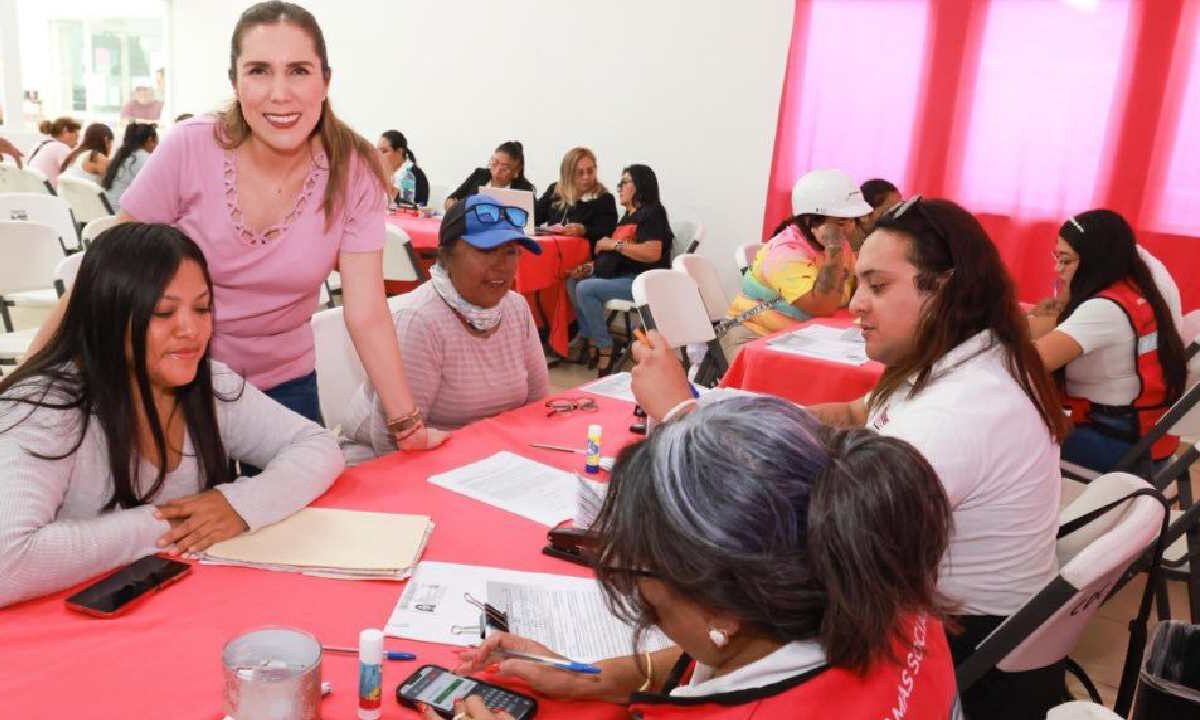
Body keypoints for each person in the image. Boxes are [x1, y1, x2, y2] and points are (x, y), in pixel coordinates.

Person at [631, 196, 1072, 720]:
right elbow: (848, 413)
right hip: (957, 621)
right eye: (859, 282)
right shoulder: (960, 358)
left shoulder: (959, 411)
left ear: (946, 288)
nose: (856, 302)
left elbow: (815, 540)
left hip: (964, 657)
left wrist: (681, 417)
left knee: (702, 584)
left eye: (878, 286)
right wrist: (722, 413)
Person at [31, 1, 443, 451]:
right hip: (178, 384)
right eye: (260, 70)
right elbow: (101, 275)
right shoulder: (191, 147)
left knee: (300, 513)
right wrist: (19, 392)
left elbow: (365, 311)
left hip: (285, 391)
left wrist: (407, 426)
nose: (279, 92)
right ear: (235, 82)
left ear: (325, 80)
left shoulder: (355, 169)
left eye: (299, 70)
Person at [439, 397, 959, 720]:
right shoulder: (878, 580)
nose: (641, 597)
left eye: (647, 580)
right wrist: (608, 676)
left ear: (722, 612)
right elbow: (746, 653)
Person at [0, 223, 342, 608]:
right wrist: (171, 524)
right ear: (108, 315)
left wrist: (241, 504)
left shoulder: (208, 386)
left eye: (201, 308)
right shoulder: (45, 407)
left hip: (182, 611)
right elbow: (6, 563)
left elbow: (318, 446)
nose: (191, 329)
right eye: (164, 312)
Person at [344, 195, 549, 456]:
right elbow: (391, 443)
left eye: (511, 252)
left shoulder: (517, 309)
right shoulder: (420, 322)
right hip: (397, 462)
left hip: (484, 455)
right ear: (446, 256)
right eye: (486, 251)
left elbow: (538, 407)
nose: (502, 265)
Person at [1029, 209, 1187, 473]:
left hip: (1121, 446)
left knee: (1001, 432)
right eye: (1056, 256)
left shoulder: (1105, 309)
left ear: (1094, 260)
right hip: (1144, 438)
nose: (1058, 269)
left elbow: (1027, 363)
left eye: (1066, 260)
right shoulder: (1136, 282)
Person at [720, 169, 864, 360]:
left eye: (852, 220)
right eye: (841, 221)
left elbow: (858, 287)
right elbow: (822, 306)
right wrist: (834, 249)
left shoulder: (838, 245)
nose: (850, 228)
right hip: (755, 336)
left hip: (802, 337)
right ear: (811, 220)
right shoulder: (785, 254)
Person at [566, 164, 672, 375]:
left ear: (639, 186)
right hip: (622, 275)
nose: (619, 188)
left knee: (586, 289)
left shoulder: (653, 213)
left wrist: (613, 244)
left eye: (624, 182)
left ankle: (606, 345)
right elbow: (615, 258)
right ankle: (592, 339)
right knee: (573, 282)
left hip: (642, 281)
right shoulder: (627, 217)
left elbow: (653, 252)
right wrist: (591, 266)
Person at [533, 147, 618, 246]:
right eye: (580, 173)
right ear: (568, 174)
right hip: (553, 248)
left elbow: (606, 232)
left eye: (590, 171)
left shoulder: (604, 199)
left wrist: (584, 230)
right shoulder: (555, 191)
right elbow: (534, 217)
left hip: (583, 255)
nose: (586, 177)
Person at [445, 141, 535, 210]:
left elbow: (533, 220)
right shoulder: (479, 175)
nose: (497, 171)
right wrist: (453, 206)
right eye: (494, 163)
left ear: (516, 171)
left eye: (504, 168)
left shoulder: (524, 190)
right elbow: (451, 199)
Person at [101, 123, 158, 211]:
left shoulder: (122, 156)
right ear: (150, 140)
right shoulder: (145, 159)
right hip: (123, 215)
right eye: (156, 141)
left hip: (109, 210)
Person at [377, 130, 429, 206]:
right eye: (378, 151)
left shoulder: (412, 175)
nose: (379, 155)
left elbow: (405, 205)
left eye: (384, 151)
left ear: (399, 152)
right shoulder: (384, 173)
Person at [27, 116, 81, 188]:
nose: (78, 139)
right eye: (76, 134)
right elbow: (74, 176)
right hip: (50, 195)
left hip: (35, 190)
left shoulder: (39, 145)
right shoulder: (61, 148)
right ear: (65, 131)